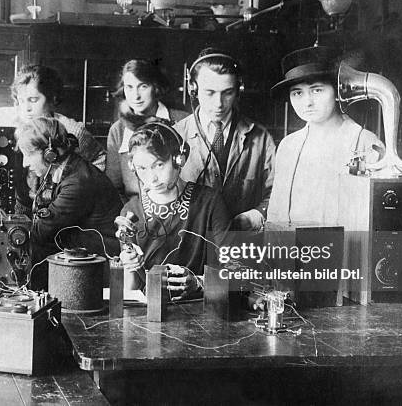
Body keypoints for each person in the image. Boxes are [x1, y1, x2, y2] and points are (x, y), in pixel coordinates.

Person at [266, 46, 385, 225]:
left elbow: (376, 217)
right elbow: (275, 214)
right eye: (297, 93)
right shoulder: (288, 146)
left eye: (317, 90)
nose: (307, 102)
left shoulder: (366, 143)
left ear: (337, 92)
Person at [118, 121, 232, 300]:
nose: (152, 178)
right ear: (133, 168)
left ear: (180, 160)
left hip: (199, 307)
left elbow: (233, 271)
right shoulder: (130, 212)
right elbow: (131, 290)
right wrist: (129, 266)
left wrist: (198, 283)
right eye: (142, 168)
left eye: (159, 165)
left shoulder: (210, 202)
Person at [14, 117, 122, 290]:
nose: (25, 163)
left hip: (100, 265)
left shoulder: (78, 182)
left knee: (34, 249)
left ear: (50, 154)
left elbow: (40, 231)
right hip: (81, 254)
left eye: (29, 155)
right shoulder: (64, 170)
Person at [175, 48, 275, 232]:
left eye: (227, 92)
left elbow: (276, 193)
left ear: (238, 90)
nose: (218, 103)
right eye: (209, 93)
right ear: (193, 89)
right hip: (189, 244)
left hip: (241, 242)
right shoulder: (175, 137)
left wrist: (255, 216)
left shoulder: (261, 138)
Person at [0, 64, 105, 170]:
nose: (26, 108)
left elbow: (101, 162)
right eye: (21, 101)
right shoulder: (15, 116)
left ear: (52, 99)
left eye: (33, 100)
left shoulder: (72, 130)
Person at [106, 59, 189, 202]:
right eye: (129, 87)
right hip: (138, 214)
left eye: (143, 86)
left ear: (155, 87)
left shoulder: (183, 121)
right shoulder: (118, 131)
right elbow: (114, 188)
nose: (135, 96)